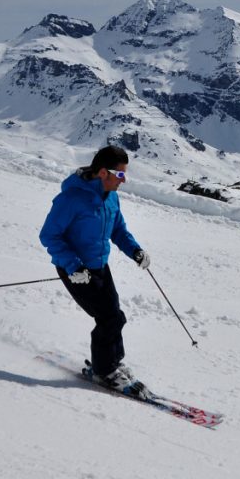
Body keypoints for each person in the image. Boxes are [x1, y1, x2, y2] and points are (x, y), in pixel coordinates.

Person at [39, 145, 152, 394]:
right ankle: (103, 371)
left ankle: (113, 362)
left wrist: (135, 251)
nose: (123, 180)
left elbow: (118, 230)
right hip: (77, 270)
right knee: (109, 318)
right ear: (103, 172)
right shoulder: (71, 199)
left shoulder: (111, 197)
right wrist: (73, 266)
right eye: (120, 174)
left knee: (115, 314)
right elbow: (49, 235)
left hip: (99, 266)